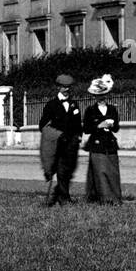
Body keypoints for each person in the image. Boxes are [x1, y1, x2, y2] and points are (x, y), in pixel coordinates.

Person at [38, 74, 81, 206]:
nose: (66, 89)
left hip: (72, 143)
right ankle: (64, 198)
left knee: (69, 170)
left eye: (68, 87)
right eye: (63, 87)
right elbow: (43, 126)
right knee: (62, 170)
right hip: (58, 143)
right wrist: (56, 135)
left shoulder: (74, 104)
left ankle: (62, 195)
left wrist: (79, 136)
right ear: (58, 87)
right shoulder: (51, 105)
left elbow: (78, 123)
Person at [82, 74, 122, 205]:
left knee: (113, 172)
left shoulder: (112, 109)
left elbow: (116, 128)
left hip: (110, 143)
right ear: (94, 96)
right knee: (100, 172)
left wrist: (111, 125)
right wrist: (98, 126)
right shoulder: (90, 110)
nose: (101, 98)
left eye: (103, 95)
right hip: (97, 144)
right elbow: (87, 129)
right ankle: (104, 199)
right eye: (98, 95)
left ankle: (115, 198)